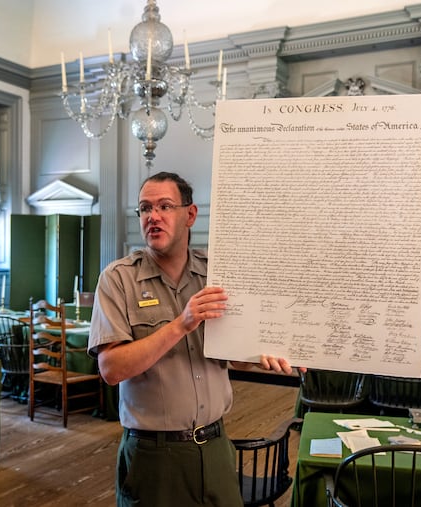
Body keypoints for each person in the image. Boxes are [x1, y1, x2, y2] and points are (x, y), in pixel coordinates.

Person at [88, 171, 297, 507]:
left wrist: (266, 353)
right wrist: (180, 324)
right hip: (153, 456)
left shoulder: (217, 274)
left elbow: (235, 355)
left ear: (190, 214)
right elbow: (110, 369)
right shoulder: (117, 279)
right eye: (144, 208)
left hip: (216, 447)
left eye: (164, 206)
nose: (153, 217)